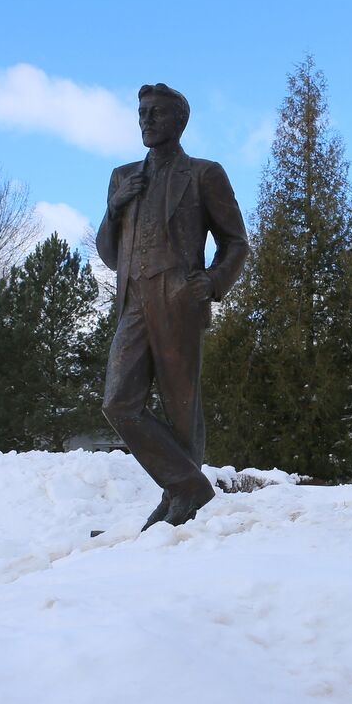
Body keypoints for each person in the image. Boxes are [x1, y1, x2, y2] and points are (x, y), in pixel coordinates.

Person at [96, 83, 248, 528]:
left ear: (178, 121)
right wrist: (115, 209)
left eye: (156, 112)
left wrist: (213, 282)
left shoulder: (204, 173)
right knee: (118, 402)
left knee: (182, 404)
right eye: (142, 112)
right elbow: (109, 254)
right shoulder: (123, 178)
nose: (146, 119)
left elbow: (236, 242)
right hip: (134, 300)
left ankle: (180, 497)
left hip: (178, 297)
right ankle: (188, 485)